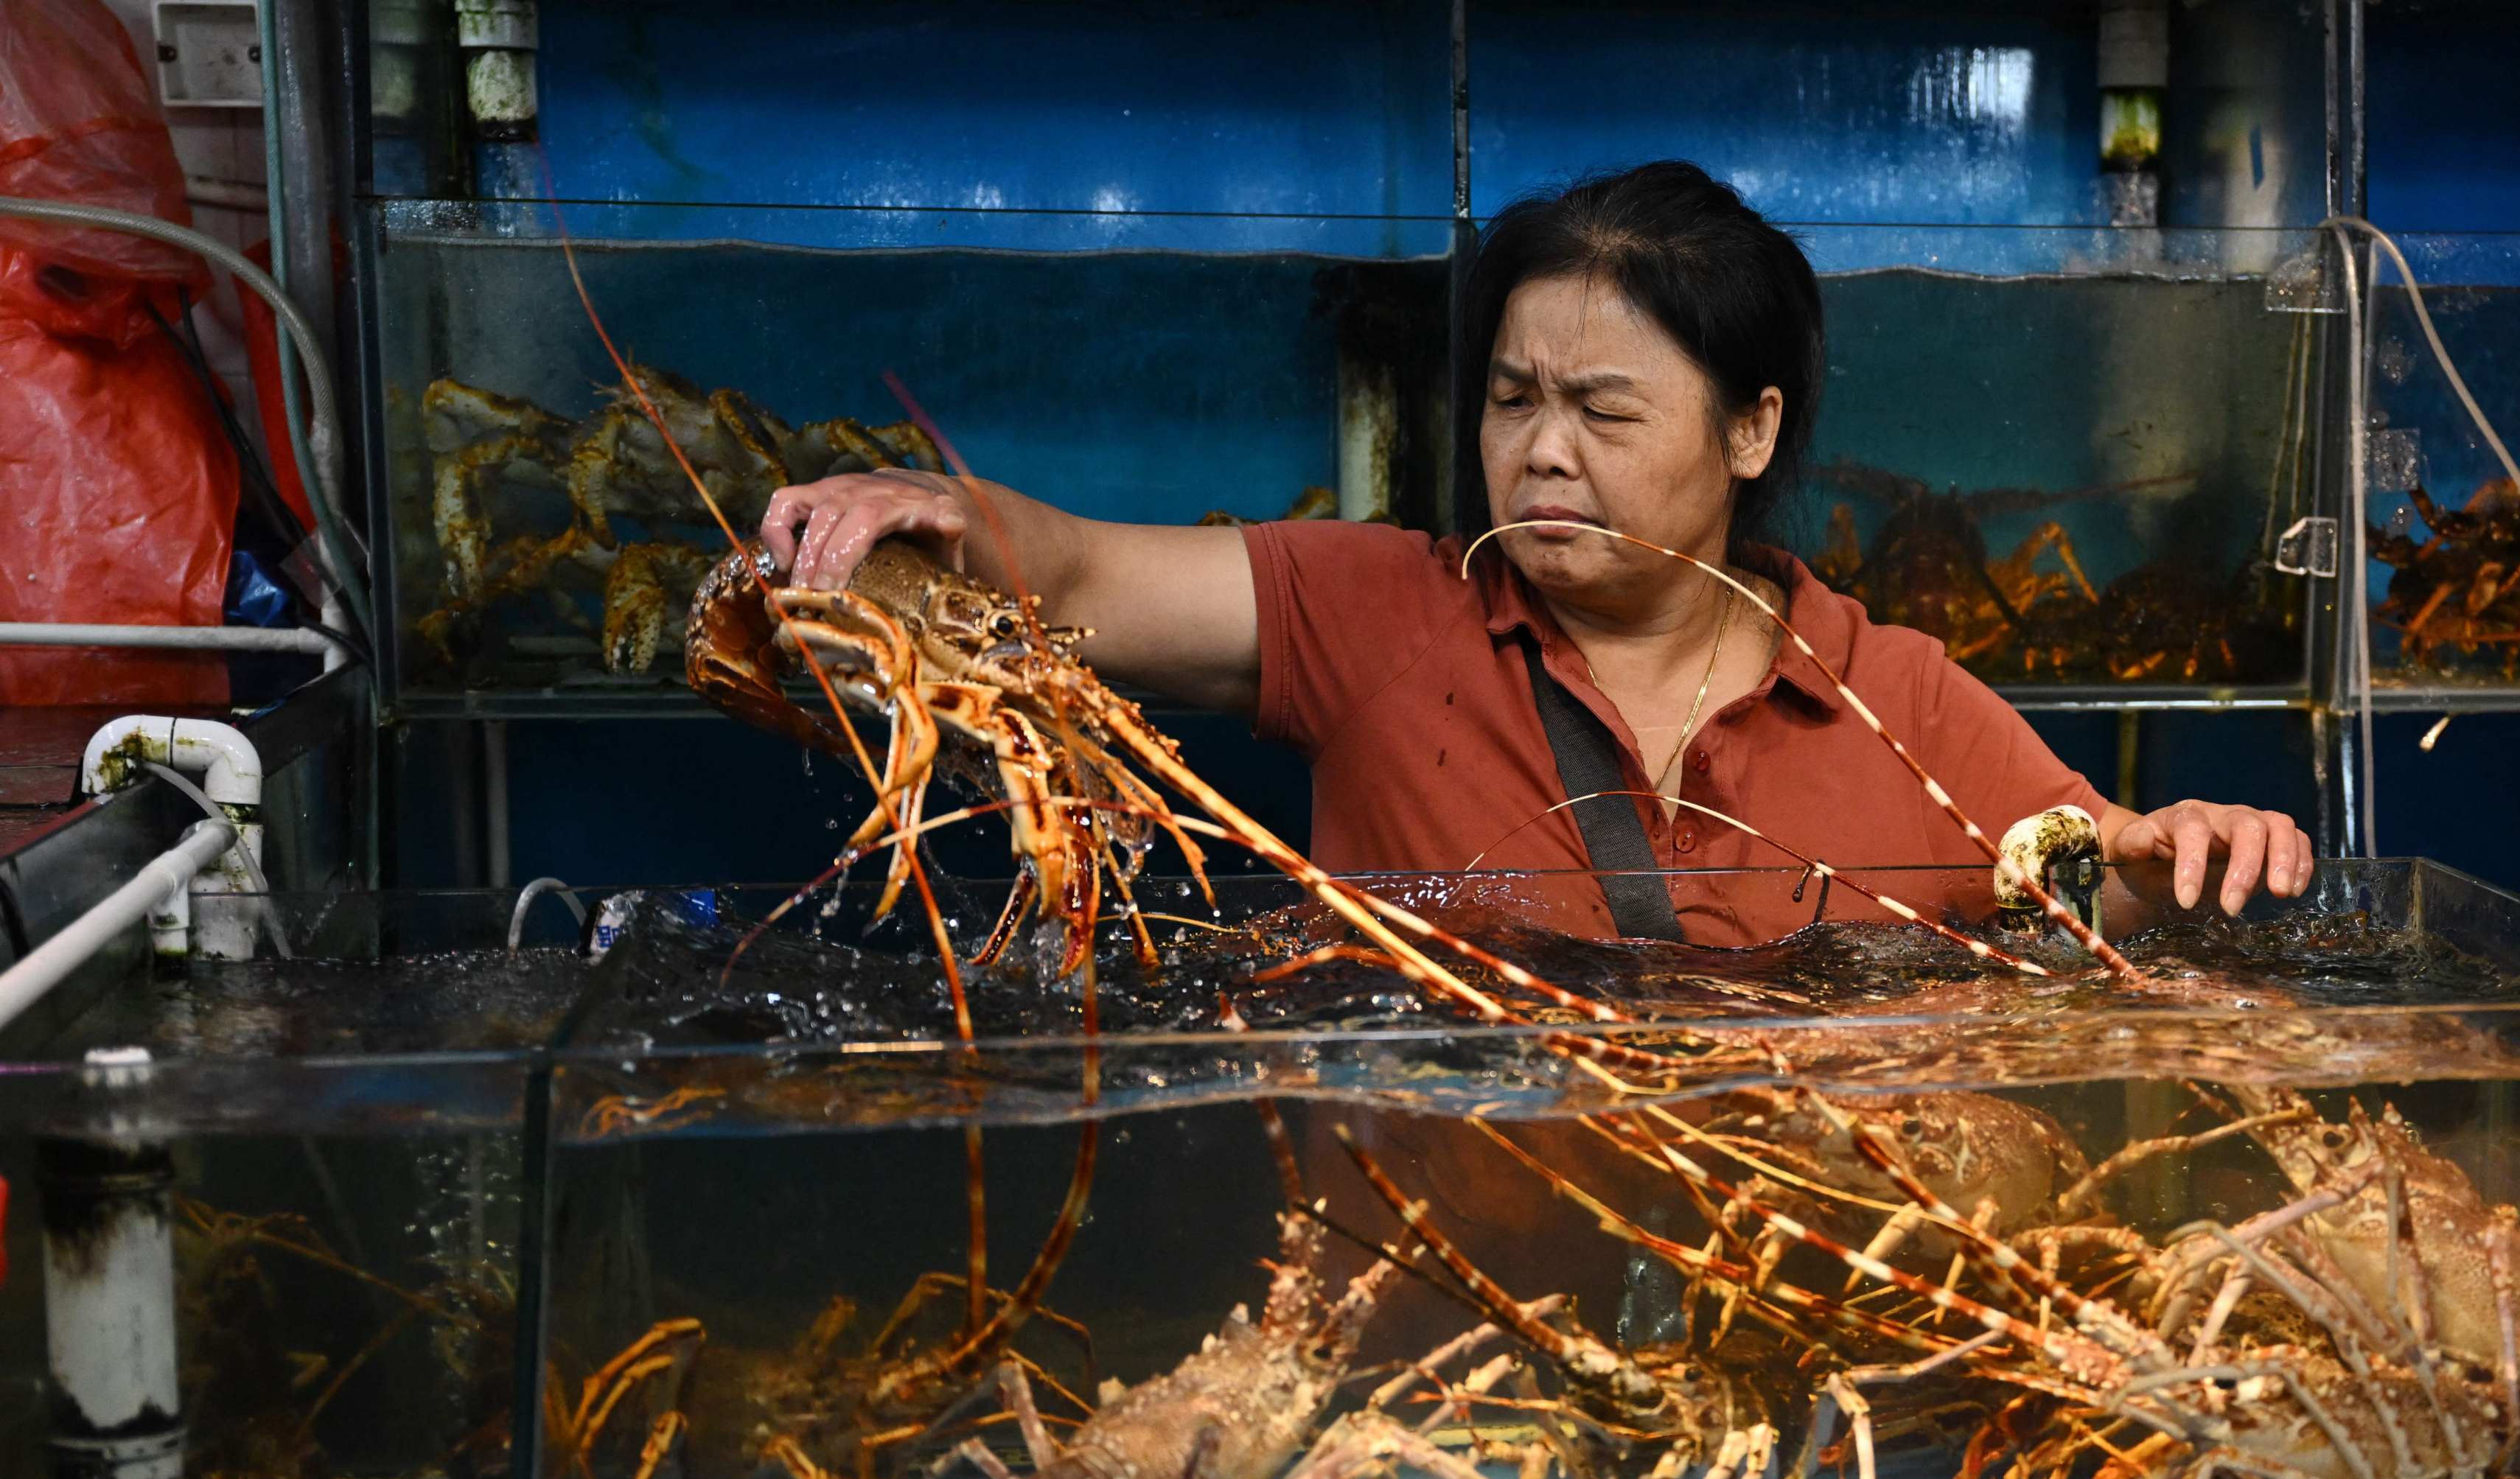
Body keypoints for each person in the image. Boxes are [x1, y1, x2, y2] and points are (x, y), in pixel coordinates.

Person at [759, 161, 2309, 948]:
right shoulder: (1375, 614)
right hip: (1426, 1297)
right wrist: (935, 507)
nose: (1541, 449)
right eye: (1511, 401)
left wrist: (2192, 851)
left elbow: (2095, 886)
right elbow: (1078, 577)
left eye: (1602, 409)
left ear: (1750, 430)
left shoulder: (1891, 693)